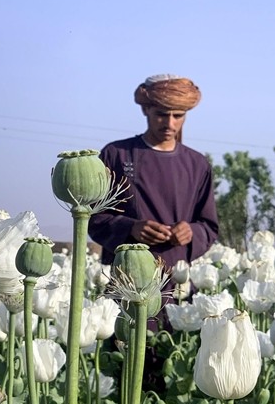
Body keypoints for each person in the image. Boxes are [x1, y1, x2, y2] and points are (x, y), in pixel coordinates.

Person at [88, 73, 220, 326]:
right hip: (127, 283)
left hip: (177, 285)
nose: (169, 123)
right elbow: (94, 218)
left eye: (178, 115)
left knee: (174, 347)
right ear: (145, 110)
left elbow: (209, 226)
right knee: (127, 346)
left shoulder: (197, 164)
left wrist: (190, 232)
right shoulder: (116, 154)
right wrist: (131, 228)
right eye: (161, 114)